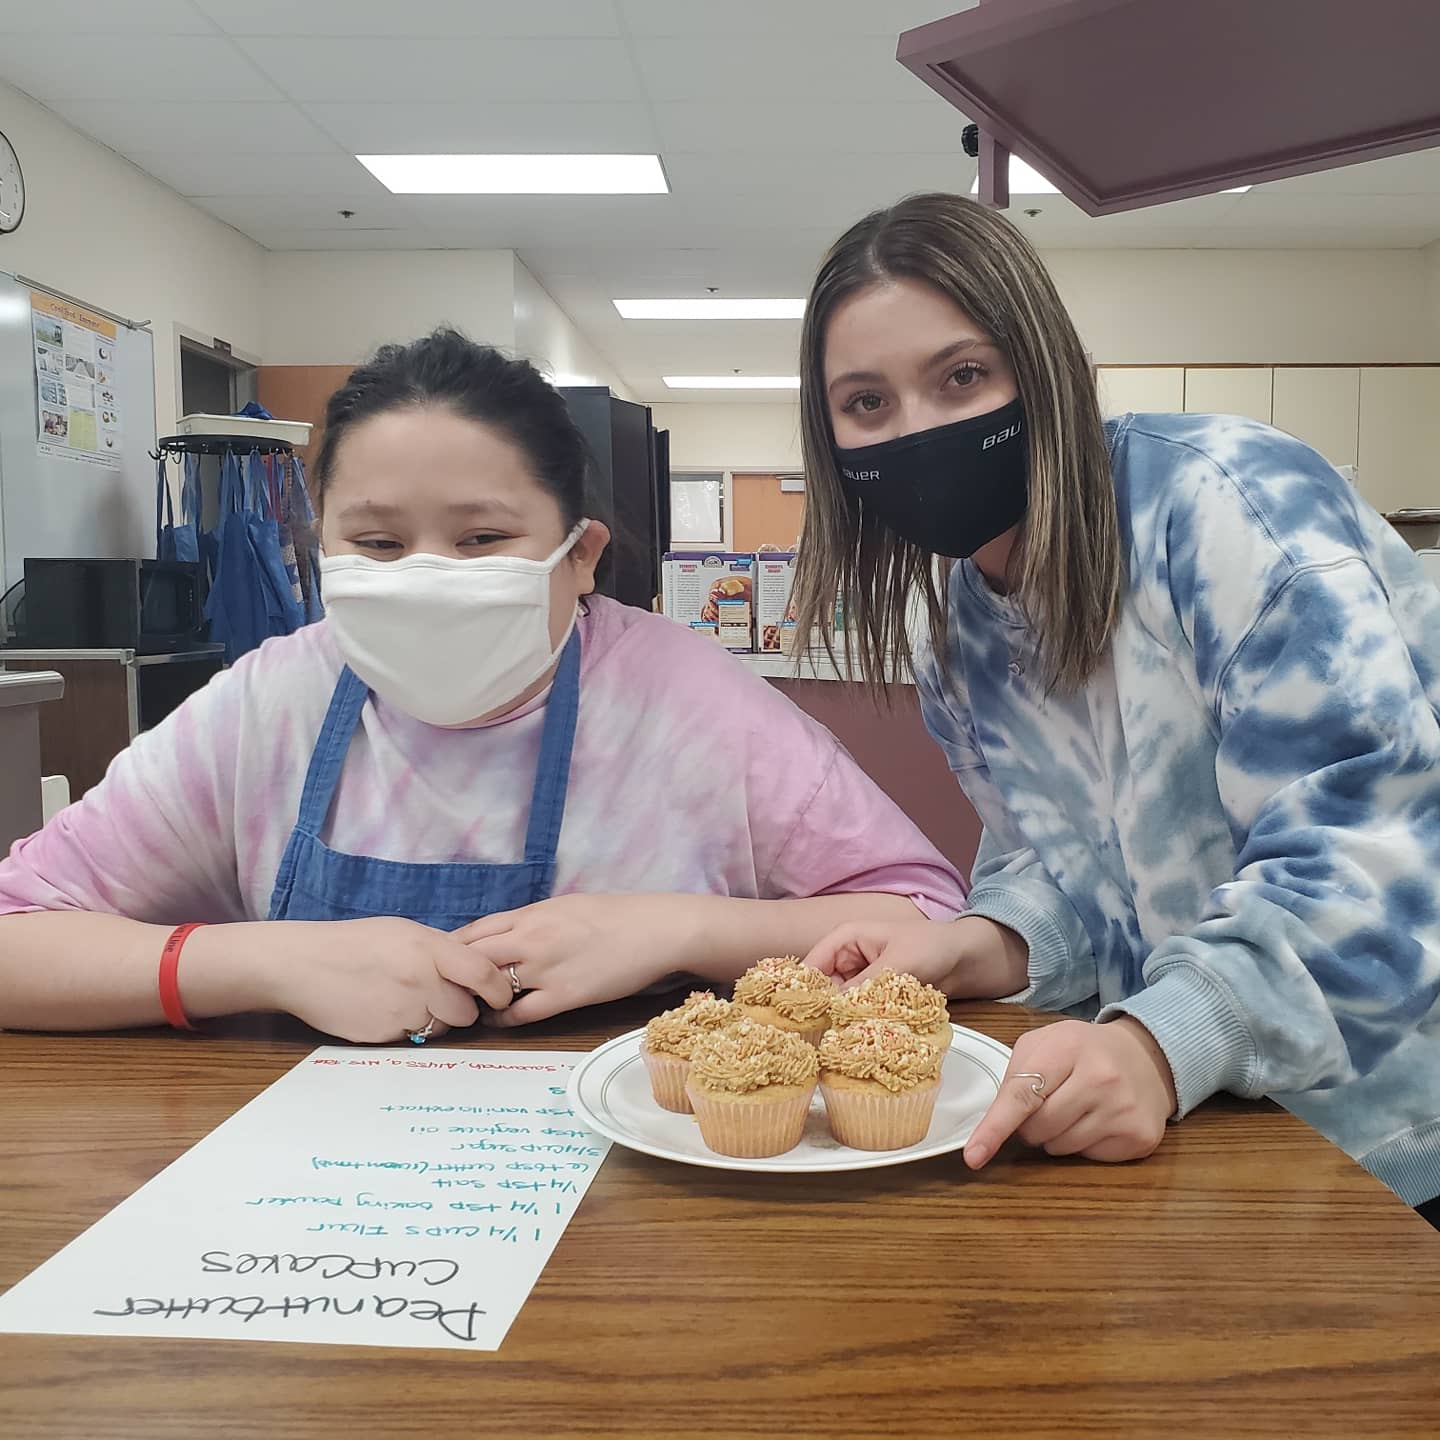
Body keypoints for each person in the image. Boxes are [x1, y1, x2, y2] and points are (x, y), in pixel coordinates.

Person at [0, 330, 966, 1045]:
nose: (427, 575)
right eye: (378, 542)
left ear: (580, 555)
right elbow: (18, 938)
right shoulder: (265, 707)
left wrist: (682, 928)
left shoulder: (695, 708)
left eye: (481, 539)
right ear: (321, 548)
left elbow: (926, 917)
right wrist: (260, 960)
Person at [792, 193, 1440, 1225]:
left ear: (1042, 369)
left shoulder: (1226, 507)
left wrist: (1160, 1042)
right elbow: (1061, 873)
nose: (918, 430)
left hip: (1388, 1139)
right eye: (867, 403)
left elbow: (1384, 857)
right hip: (1198, 1135)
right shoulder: (955, 631)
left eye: (963, 377)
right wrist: (978, 943)